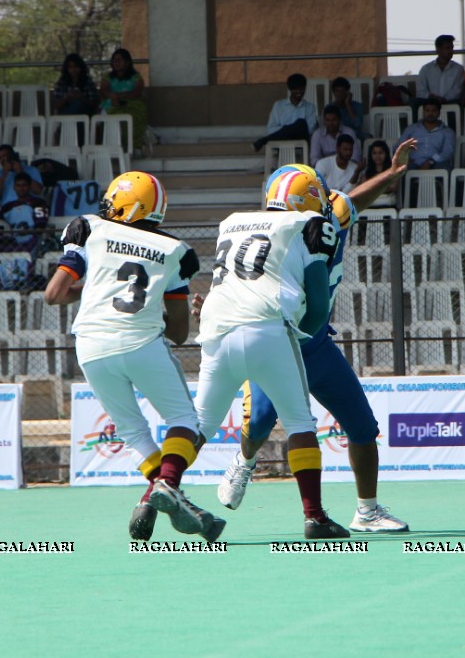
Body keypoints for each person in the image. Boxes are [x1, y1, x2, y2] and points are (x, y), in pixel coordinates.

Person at [210, 145, 417, 534]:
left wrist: (389, 176)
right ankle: (245, 460)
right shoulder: (278, 233)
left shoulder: (326, 217)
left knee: (362, 426)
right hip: (275, 343)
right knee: (256, 428)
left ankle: (367, 510)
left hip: (316, 344)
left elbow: (351, 201)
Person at [44, 171, 224, 543]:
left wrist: (93, 289)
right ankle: (169, 485)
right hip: (140, 342)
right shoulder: (176, 251)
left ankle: (163, 493)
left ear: (125, 203)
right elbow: (177, 334)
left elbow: (54, 294)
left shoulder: (89, 227)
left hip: (90, 344)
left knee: (131, 432)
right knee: (184, 422)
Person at [194, 169, 348, 539]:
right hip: (271, 329)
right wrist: (300, 335)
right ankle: (314, 515)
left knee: (197, 423)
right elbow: (317, 307)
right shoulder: (308, 228)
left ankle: (157, 489)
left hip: (218, 329)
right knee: (297, 423)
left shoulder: (234, 223)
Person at [97, 48, 148, 153]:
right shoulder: (108, 77)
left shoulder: (136, 77)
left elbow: (136, 92)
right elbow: (104, 90)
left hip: (131, 104)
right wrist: (113, 96)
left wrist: (121, 96)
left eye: (119, 60)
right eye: (114, 60)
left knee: (137, 113)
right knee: (111, 115)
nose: (116, 63)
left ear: (127, 62)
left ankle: (134, 147)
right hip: (112, 104)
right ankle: (115, 148)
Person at [254, 73, 318, 152]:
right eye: (295, 89)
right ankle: (267, 139)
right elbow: (271, 129)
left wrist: (287, 129)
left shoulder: (310, 107)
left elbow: (310, 129)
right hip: (281, 141)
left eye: (301, 88)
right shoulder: (279, 105)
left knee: (301, 123)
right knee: (298, 125)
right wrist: (289, 130)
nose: (299, 91)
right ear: (290, 89)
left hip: (301, 141)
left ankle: (264, 140)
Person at [0, 174, 49, 252]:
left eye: (24, 185)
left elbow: (41, 225)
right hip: (12, 241)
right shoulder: (8, 206)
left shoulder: (38, 202)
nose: (21, 188)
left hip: (32, 241)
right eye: (18, 185)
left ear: (30, 187)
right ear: (14, 187)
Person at [413, 34, 465, 114]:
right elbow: (421, 91)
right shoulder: (426, 69)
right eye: (448, 48)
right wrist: (431, 97)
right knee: (414, 103)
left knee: (456, 105)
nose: (451, 51)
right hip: (429, 102)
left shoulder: (458, 69)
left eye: (452, 48)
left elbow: (457, 91)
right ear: (438, 50)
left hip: (450, 102)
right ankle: (416, 126)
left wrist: (444, 99)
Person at [397, 100, 455, 171]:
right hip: (414, 162)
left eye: (434, 111)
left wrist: (431, 161)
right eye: (427, 110)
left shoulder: (448, 131)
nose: (430, 113)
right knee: (401, 169)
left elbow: (447, 151)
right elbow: (399, 146)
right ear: (423, 112)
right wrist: (405, 158)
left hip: (437, 163)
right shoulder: (411, 129)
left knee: (446, 169)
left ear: (439, 112)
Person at [356, 140, 401, 207]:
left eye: (380, 153)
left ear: (386, 154)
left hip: (388, 205)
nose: (377, 156)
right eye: (374, 153)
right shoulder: (366, 173)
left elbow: (393, 187)